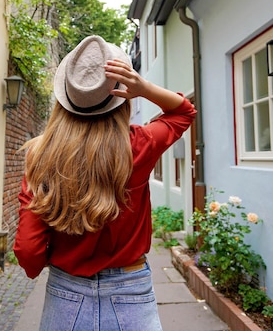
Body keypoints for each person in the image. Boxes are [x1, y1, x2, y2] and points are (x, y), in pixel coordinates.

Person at [14, 35, 197, 331]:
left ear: (67, 100)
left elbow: (27, 249)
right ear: (121, 99)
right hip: (131, 291)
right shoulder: (138, 144)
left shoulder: (40, 154)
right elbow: (183, 111)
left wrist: (50, 266)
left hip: (66, 292)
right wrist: (143, 88)